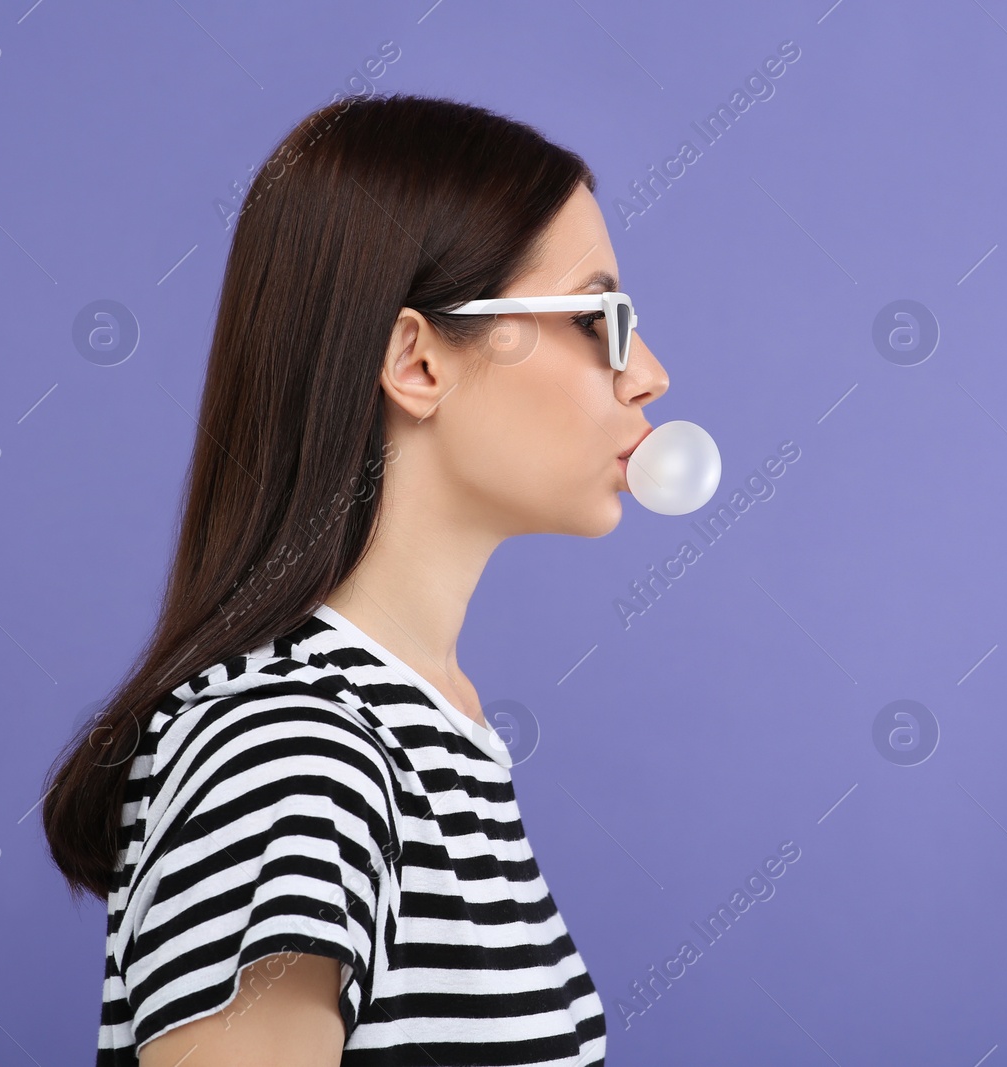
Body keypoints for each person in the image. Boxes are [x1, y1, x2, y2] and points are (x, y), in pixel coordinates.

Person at [40, 92, 668, 1066]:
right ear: (416, 360)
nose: (647, 373)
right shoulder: (292, 747)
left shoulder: (431, 725)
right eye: (598, 315)